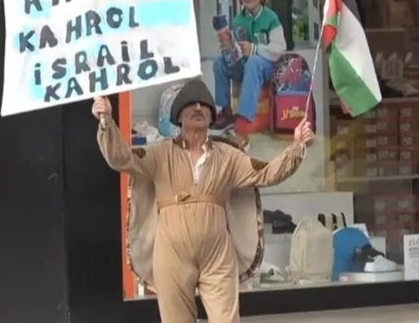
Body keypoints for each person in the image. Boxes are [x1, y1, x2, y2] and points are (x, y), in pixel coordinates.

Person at [92, 79, 313, 323]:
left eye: (204, 105)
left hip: (217, 254)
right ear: (179, 116)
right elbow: (121, 158)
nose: (198, 107)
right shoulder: (159, 154)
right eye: (191, 104)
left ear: (211, 117)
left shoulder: (229, 156)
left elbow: (267, 173)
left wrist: (296, 147)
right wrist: (107, 122)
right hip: (171, 254)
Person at [212, 0, 286, 147]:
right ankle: (226, 112)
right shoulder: (237, 20)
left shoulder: (271, 18)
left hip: (266, 69)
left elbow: (279, 49)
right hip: (244, 67)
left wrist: (254, 49)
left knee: (253, 61)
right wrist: (228, 47)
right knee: (218, 62)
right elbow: (235, 53)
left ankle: (242, 124)